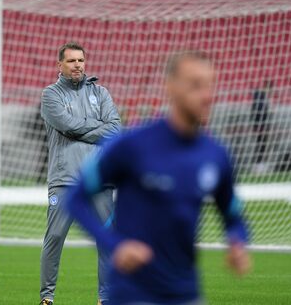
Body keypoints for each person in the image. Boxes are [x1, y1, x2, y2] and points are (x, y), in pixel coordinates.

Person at [67, 51, 251, 305]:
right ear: (171, 87)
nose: (207, 96)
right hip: (133, 294)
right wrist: (115, 244)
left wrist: (237, 241)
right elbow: (75, 199)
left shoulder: (215, 155)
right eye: (196, 86)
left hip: (187, 294)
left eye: (210, 86)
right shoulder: (131, 146)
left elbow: (233, 214)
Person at [40, 42, 122, 305]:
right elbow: (65, 124)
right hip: (65, 179)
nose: (78, 65)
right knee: (54, 237)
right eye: (72, 61)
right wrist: (98, 128)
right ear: (60, 65)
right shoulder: (50, 95)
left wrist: (80, 130)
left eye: (81, 60)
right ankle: (47, 297)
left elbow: (115, 130)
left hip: (100, 180)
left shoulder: (101, 92)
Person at [251, 80, 273, 171]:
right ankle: (257, 165)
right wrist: (257, 125)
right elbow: (255, 111)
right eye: (270, 89)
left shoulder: (263, 97)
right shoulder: (259, 95)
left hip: (263, 124)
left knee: (262, 144)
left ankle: (259, 164)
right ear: (266, 87)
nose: (270, 91)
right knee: (260, 144)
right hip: (260, 124)